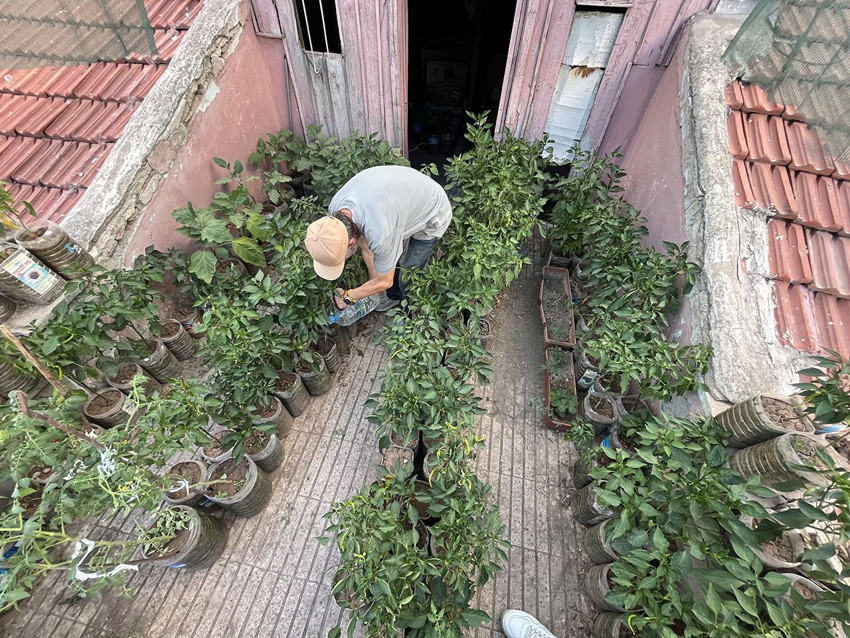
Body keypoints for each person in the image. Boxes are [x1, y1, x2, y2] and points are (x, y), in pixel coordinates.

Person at [304, 165, 452, 312]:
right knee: (388, 261)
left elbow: (385, 280)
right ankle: (391, 297)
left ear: (351, 242)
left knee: (409, 274)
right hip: (404, 197)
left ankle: (409, 313)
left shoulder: (379, 232)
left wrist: (349, 296)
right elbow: (367, 249)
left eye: (342, 258)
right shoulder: (336, 210)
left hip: (432, 211)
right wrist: (376, 290)